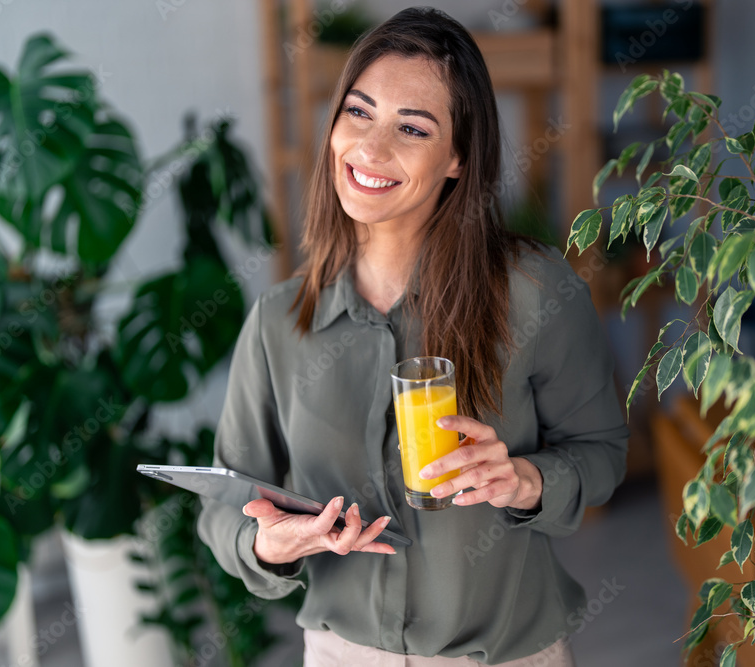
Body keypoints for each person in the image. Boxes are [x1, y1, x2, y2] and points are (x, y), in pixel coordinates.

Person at [197, 7, 629, 666]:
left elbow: (602, 454)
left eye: (412, 127)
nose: (371, 149)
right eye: (358, 112)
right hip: (339, 653)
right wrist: (266, 544)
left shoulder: (534, 292)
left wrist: (525, 480)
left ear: (458, 157)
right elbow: (226, 502)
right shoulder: (279, 322)